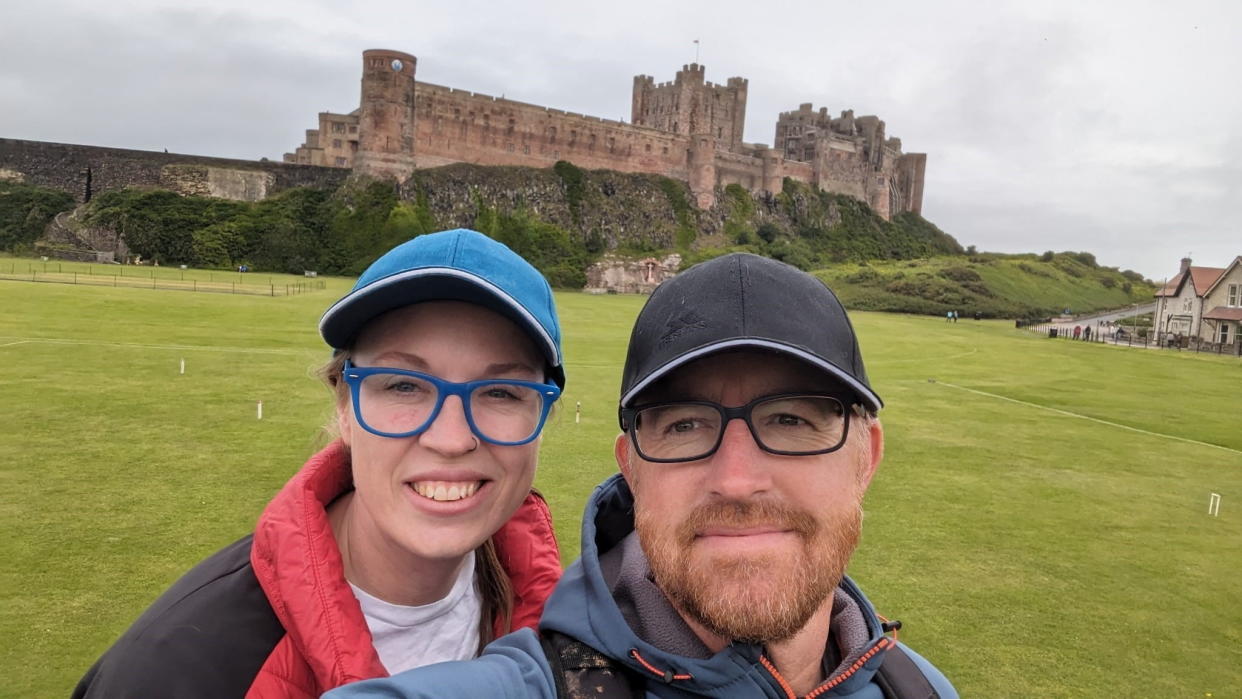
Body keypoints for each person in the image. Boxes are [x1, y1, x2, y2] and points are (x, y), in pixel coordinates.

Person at [329, 253, 955, 698]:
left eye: (790, 420)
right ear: (630, 470)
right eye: (685, 426)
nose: (737, 480)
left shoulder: (919, 687)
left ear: (864, 460)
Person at [73, 229, 566, 698]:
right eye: (403, 385)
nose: (452, 438)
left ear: (542, 416)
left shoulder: (568, 618)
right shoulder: (169, 675)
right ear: (344, 406)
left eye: (501, 392)